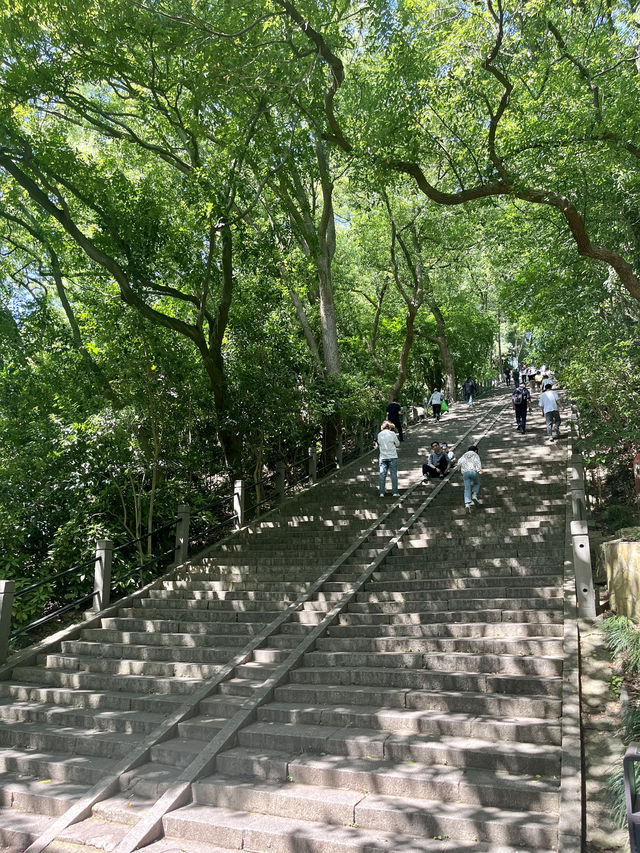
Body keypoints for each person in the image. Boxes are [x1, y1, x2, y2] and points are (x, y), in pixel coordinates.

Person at [457, 444, 483, 512]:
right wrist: (479, 470)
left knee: (467, 488)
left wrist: (459, 468)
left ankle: (467, 504)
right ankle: (474, 495)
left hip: (465, 473)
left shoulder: (464, 455)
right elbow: (477, 462)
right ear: (476, 450)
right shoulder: (475, 454)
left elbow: (459, 462)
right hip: (473, 472)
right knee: (477, 483)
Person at [377, 420, 400, 496]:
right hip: (392, 456)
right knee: (393, 474)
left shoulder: (379, 434)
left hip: (383, 456)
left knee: (382, 474)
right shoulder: (392, 433)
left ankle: (381, 492)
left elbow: (379, 443)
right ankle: (395, 492)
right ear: (389, 427)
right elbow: (398, 444)